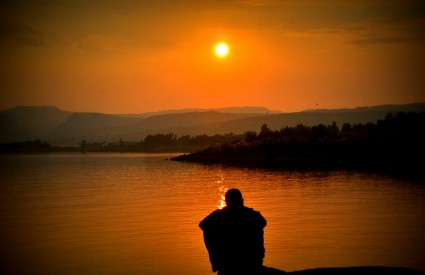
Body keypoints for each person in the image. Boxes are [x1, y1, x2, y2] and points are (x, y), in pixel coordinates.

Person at [199, 188, 286, 275]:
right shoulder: (253, 215)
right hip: (242, 263)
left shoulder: (219, 215)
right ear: (242, 201)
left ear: (226, 202)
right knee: (208, 231)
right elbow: (263, 222)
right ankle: (221, 262)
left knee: (208, 231)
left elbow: (203, 225)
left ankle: (218, 262)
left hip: (241, 263)